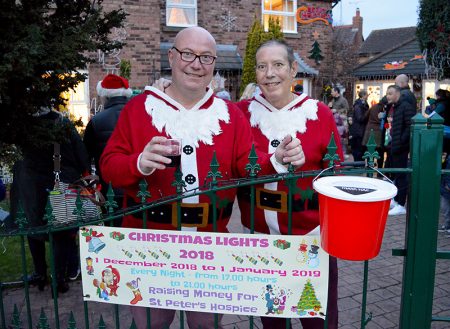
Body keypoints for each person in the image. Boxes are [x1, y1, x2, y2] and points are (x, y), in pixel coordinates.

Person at [100, 27, 305, 329]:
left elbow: (247, 167)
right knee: (151, 325)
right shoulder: (138, 109)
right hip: (150, 248)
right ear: (171, 57)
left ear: (213, 65)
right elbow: (108, 166)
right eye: (188, 54)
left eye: (206, 57)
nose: (196, 64)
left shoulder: (230, 115)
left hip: (211, 249)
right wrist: (139, 163)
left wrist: (276, 160)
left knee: (206, 326)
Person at [235, 39, 342, 329]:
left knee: (317, 320)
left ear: (293, 69)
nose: (270, 73)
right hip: (259, 240)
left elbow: (335, 173)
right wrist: (272, 160)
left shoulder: (319, 113)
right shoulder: (240, 114)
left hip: (310, 239)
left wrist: (307, 165)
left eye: (278, 65)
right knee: (272, 320)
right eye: (261, 66)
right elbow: (233, 166)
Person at [9, 108, 90, 292]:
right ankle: (59, 277)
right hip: (60, 182)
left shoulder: (23, 127)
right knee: (60, 232)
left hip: (30, 186)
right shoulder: (63, 123)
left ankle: (40, 273)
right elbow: (81, 154)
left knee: (33, 228)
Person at [84, 74, 132, 219]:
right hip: (136, 184)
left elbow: (86, 154)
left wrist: (91, 183)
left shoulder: (97, 121)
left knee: (113, 229)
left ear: (105, 95)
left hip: (108, 185)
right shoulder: (139, 116)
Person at [384, 85, 416, 216]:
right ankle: (396, 199)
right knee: (396, 174)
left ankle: (401, 204)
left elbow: (410, 126)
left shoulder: (405, 106)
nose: (388, 96)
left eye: (390, 93)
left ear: (397, 93)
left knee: (401, 175)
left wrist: (401, 141)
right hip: (393, 145)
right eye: (387, 93)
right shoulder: (394, 107)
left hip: (400, 147)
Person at [362, 96, 388, 168]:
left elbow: (365, 117)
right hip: (379, 131)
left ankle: (369, 169)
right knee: (380, 152)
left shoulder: (373, 107)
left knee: (370, 151)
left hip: (369, 130)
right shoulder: (385, 108)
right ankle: (379, 171)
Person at [328, 86, 349, 157]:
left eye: (332, 91)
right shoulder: (333, 100)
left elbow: (347, 109)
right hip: (335, 122)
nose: (331, 93)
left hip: (342, 123)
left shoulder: (343, 100)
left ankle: (343, 153)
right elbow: (331, 110)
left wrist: (336, 111)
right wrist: (330, 107)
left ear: (336, 92)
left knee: (342, 138)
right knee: (335, 137)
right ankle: (337, 152)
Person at [349, 89, 369, 161]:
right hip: (358, 131)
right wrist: (368, 114)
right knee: (358, 149)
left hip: (361, 130)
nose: (368, 96)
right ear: (363, 96)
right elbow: (360, 118)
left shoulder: (363, 104)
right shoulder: (358, 105)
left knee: (361, 148)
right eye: (367, 95)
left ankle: (360, 164)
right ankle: (358, 165)